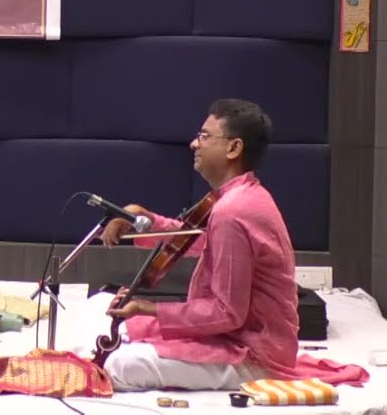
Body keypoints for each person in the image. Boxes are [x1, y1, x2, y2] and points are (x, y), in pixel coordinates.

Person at [98, 99, 368, 391]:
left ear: (233, 148)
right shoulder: (240, 197)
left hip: (253, 354)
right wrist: (146, 221)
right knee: (98, 313)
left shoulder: (233, 211)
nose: (193, 144)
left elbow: (227, 314)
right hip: (235, 338)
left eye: (204, 136)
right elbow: (199, 240)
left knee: (121, 365)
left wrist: (149, 308)